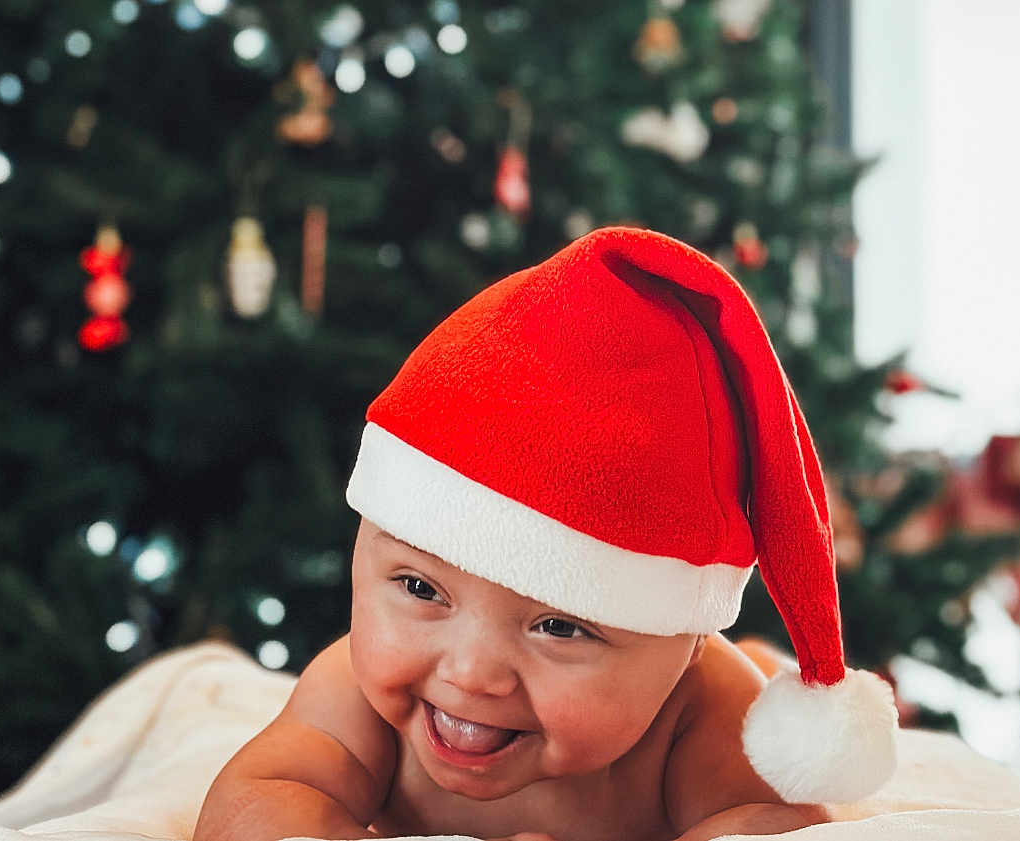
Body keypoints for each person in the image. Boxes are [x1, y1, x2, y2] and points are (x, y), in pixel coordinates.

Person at [195, 227, 898, 841]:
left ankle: (758, 652)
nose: (469, 672)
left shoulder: (698, 708)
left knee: (749, 667)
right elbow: (250, 807)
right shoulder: (355, 692)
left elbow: (775, 827)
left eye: (559, 626)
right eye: (419, 586)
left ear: (682, 645)